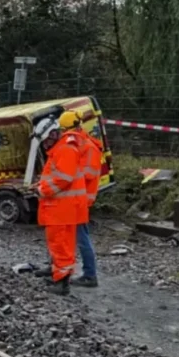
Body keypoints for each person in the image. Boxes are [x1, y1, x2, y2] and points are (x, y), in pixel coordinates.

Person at [34, 119, 88, 295]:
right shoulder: (62, 148)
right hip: (61, 208)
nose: (44, 144)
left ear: (54, 134)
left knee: (60, 245)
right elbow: (59, 177)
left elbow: (63, 179)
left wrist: (42, 190)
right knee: (62, 245)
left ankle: (62, 283)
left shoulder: (65, 150)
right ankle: (59, 276)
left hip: (61, 208)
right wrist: (41, 185)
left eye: (46, 140)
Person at [60, 111, 101, 288]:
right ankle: (61, 268)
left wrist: (66, 175)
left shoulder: (89, 148)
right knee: (66, 236)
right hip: (73, 199)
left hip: (80, 200)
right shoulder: (79, 145)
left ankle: (90, 275)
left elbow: (87, 175)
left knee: (82, 238)